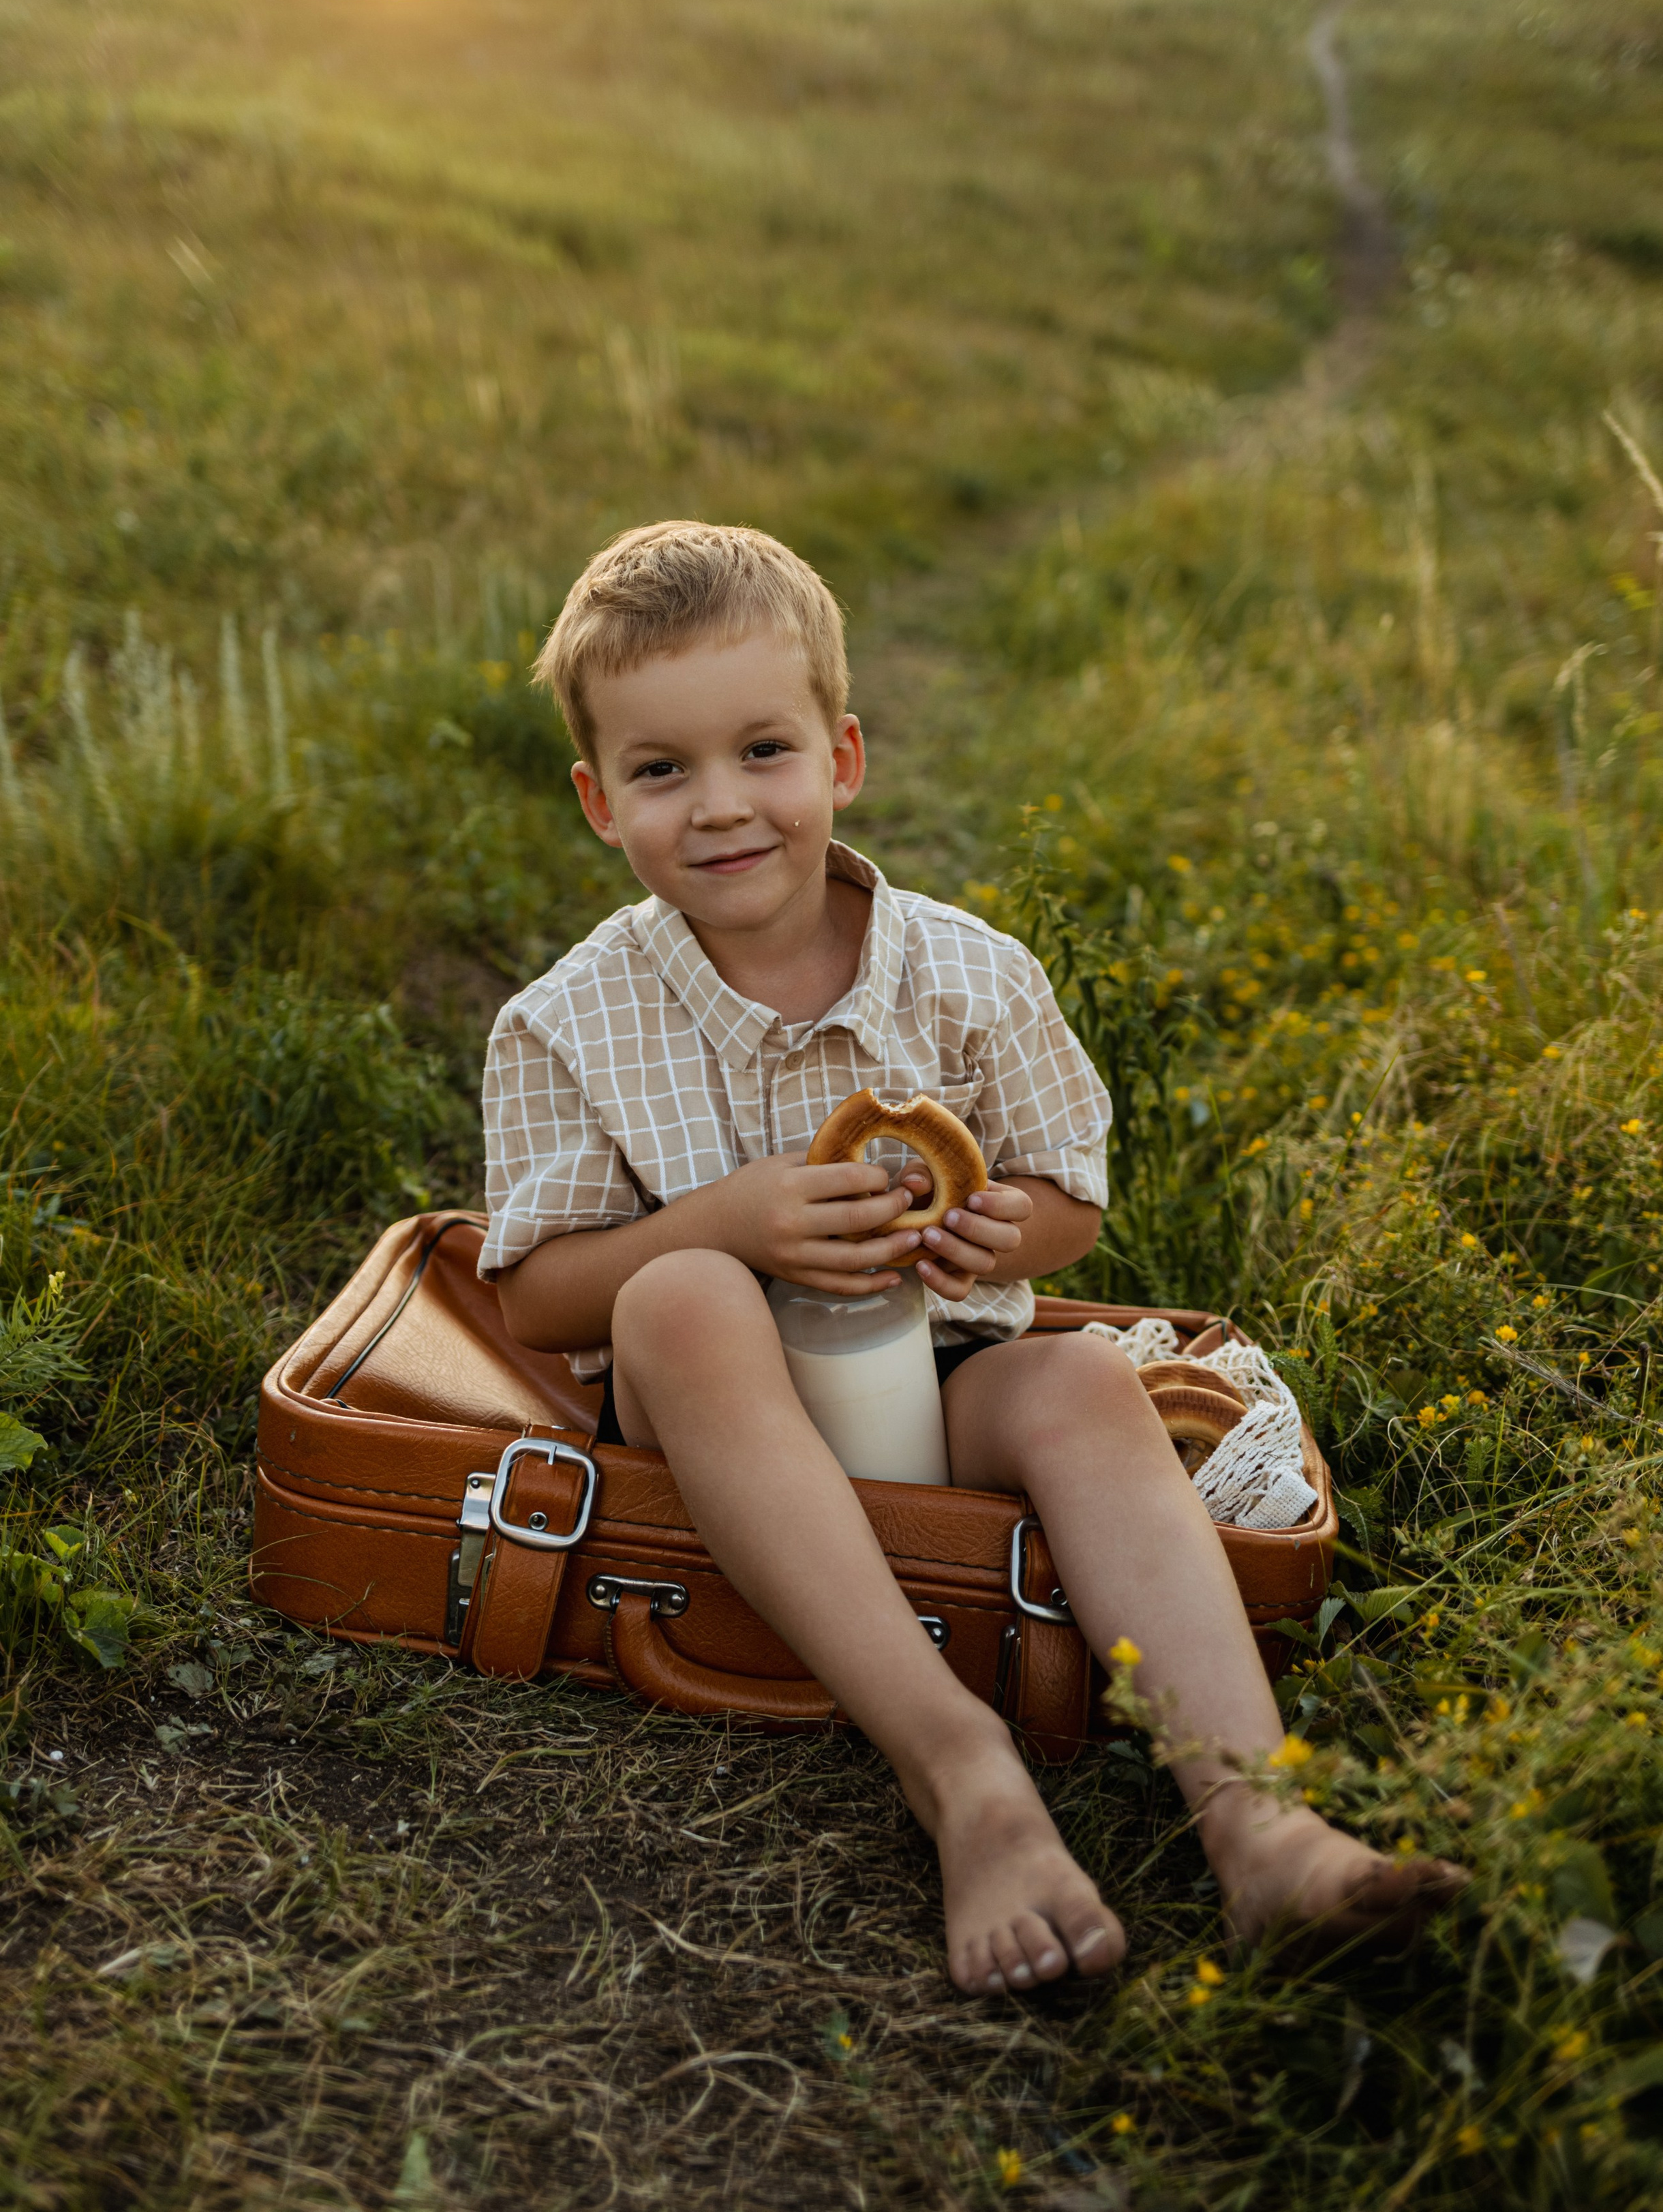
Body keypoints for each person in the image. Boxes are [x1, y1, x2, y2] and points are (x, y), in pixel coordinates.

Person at [480, 519, 1462, 1996]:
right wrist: (727, 1224)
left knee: (1074, 1377)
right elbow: (534, 1298)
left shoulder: (965, 973)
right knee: (679, 1292)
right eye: (662, 770)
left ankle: (1263, 1829)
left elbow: (1067, 1195)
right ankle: (962, 1772)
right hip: (710, 1410)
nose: (723, 807)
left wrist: (1017, 1226)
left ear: (843, 757)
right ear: (595, 802)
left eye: (764, 750)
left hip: (942, 1376)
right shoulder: (566, 1020)